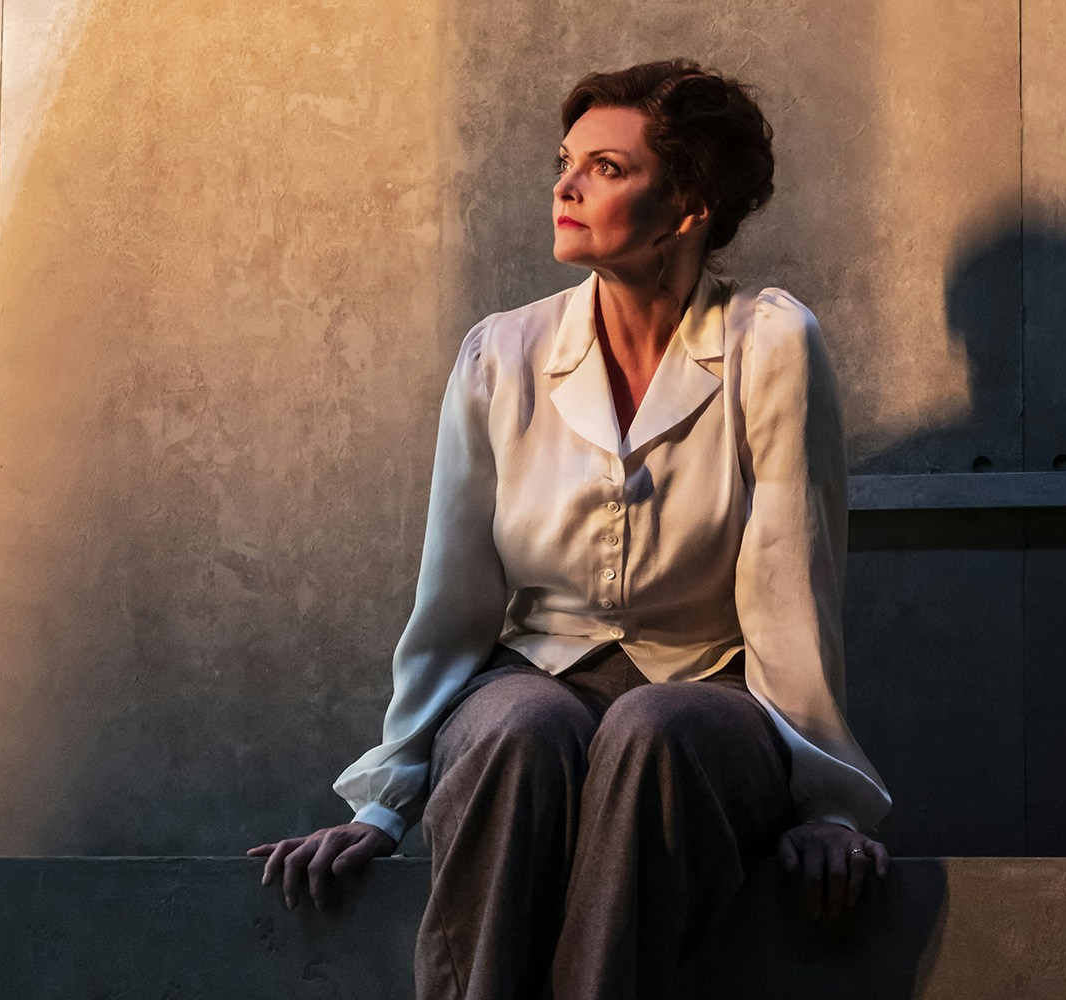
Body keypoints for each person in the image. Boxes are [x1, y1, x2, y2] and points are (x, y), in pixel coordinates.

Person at [248, 58, 892, 1000]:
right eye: (566, 161)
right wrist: (385, 803)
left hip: (706, 696)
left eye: (607, 167)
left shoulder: (770, 344)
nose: (565, 185)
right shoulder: (500, 353)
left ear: (691, 203)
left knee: (650, 729)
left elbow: (793, 593)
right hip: (532, 676)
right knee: (520, 726)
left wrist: (833, 805)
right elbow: (454, 606)